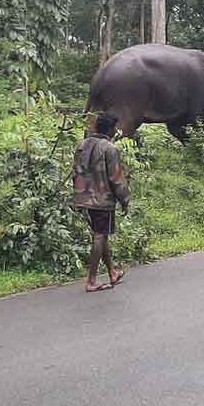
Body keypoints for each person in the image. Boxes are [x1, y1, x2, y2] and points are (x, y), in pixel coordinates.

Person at [73, 114, 130, 292]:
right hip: (102, 199)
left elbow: (75, 172)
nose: (116, 131)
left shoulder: (82, 144)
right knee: (100, 235)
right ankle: (92, 281)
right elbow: (116, 178)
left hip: (83, 197)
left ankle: (112, 272)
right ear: (109, 129)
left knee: (101, 233)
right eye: (114, 128)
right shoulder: (109, 148)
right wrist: (125, 200)